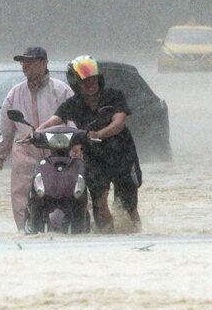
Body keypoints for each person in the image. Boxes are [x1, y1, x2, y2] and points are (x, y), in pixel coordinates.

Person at [40, 55, 141, 233]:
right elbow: (56, 120)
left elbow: (119, 123)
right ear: (75, 83)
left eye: (93, 80)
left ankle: (136, 234)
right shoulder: (73, 104)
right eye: (85, 81)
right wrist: (36, 132)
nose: (90, 84)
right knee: (99, 201)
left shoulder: (114, 96)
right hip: (94, 156)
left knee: (128, 205)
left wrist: (100, 134)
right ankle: (107, 236)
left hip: (122, 155)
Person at [0, 46, 72, 231]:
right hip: (25, 150)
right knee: (21, 194)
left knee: (69, 189)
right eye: (23, 62)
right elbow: (7, 130)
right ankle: (25, 231)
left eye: (30, 61)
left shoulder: (61, 91)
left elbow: (73, 121)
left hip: (59, 151)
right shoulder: (15, 94)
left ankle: (73, 228)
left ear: (44, 63)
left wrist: (77, 146)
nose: (25, 65)